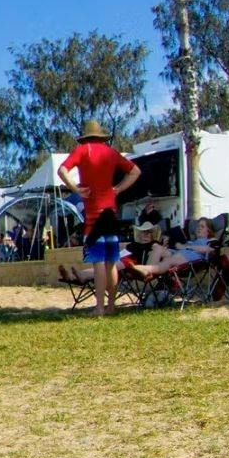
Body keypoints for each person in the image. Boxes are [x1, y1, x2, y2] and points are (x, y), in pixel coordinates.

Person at [57, 120, 141, 315]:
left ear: (85, 137)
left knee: (98, 264)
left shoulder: (83, 150)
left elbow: (62, 170)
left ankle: (100, 307)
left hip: (94, 220)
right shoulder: (110, 152)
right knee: (112, 263)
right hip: (110, 217)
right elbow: (135, 171)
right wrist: (118, 188)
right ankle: (111, 306)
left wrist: (76, 189)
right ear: (102, 136)